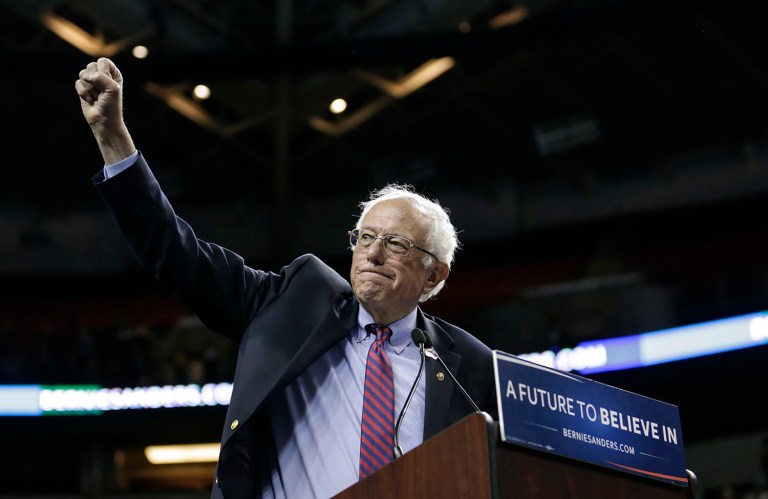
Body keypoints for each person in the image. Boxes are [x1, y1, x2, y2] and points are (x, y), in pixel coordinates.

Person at [75, 57, 498, 499]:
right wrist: (112, 136)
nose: (372, 253)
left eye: (396, 245)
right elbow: (179, 254)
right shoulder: (293, 302)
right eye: (365, 237)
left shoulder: (469, 363)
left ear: (434, 275)